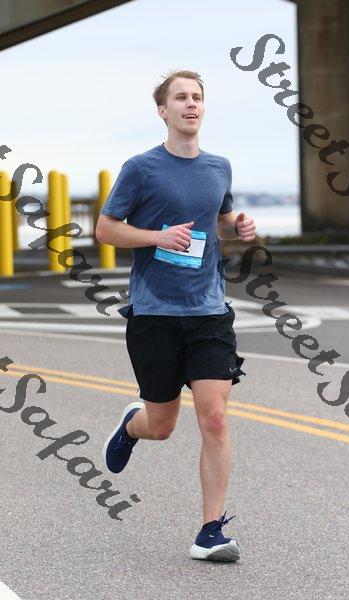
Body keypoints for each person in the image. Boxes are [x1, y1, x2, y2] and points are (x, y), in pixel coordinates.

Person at [95, 69, 256, 563]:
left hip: (208, 311)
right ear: (162, 111)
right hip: (155, 314)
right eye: (181, 97)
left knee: (215, 418)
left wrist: (237, 225)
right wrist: (156, 237)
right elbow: (105, 229)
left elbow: (219, 222)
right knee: (162, 425)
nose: (191, 104)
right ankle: (132, 426)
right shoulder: (141, 168)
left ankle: (210, 532)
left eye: (197, 97)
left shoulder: (219, 167)